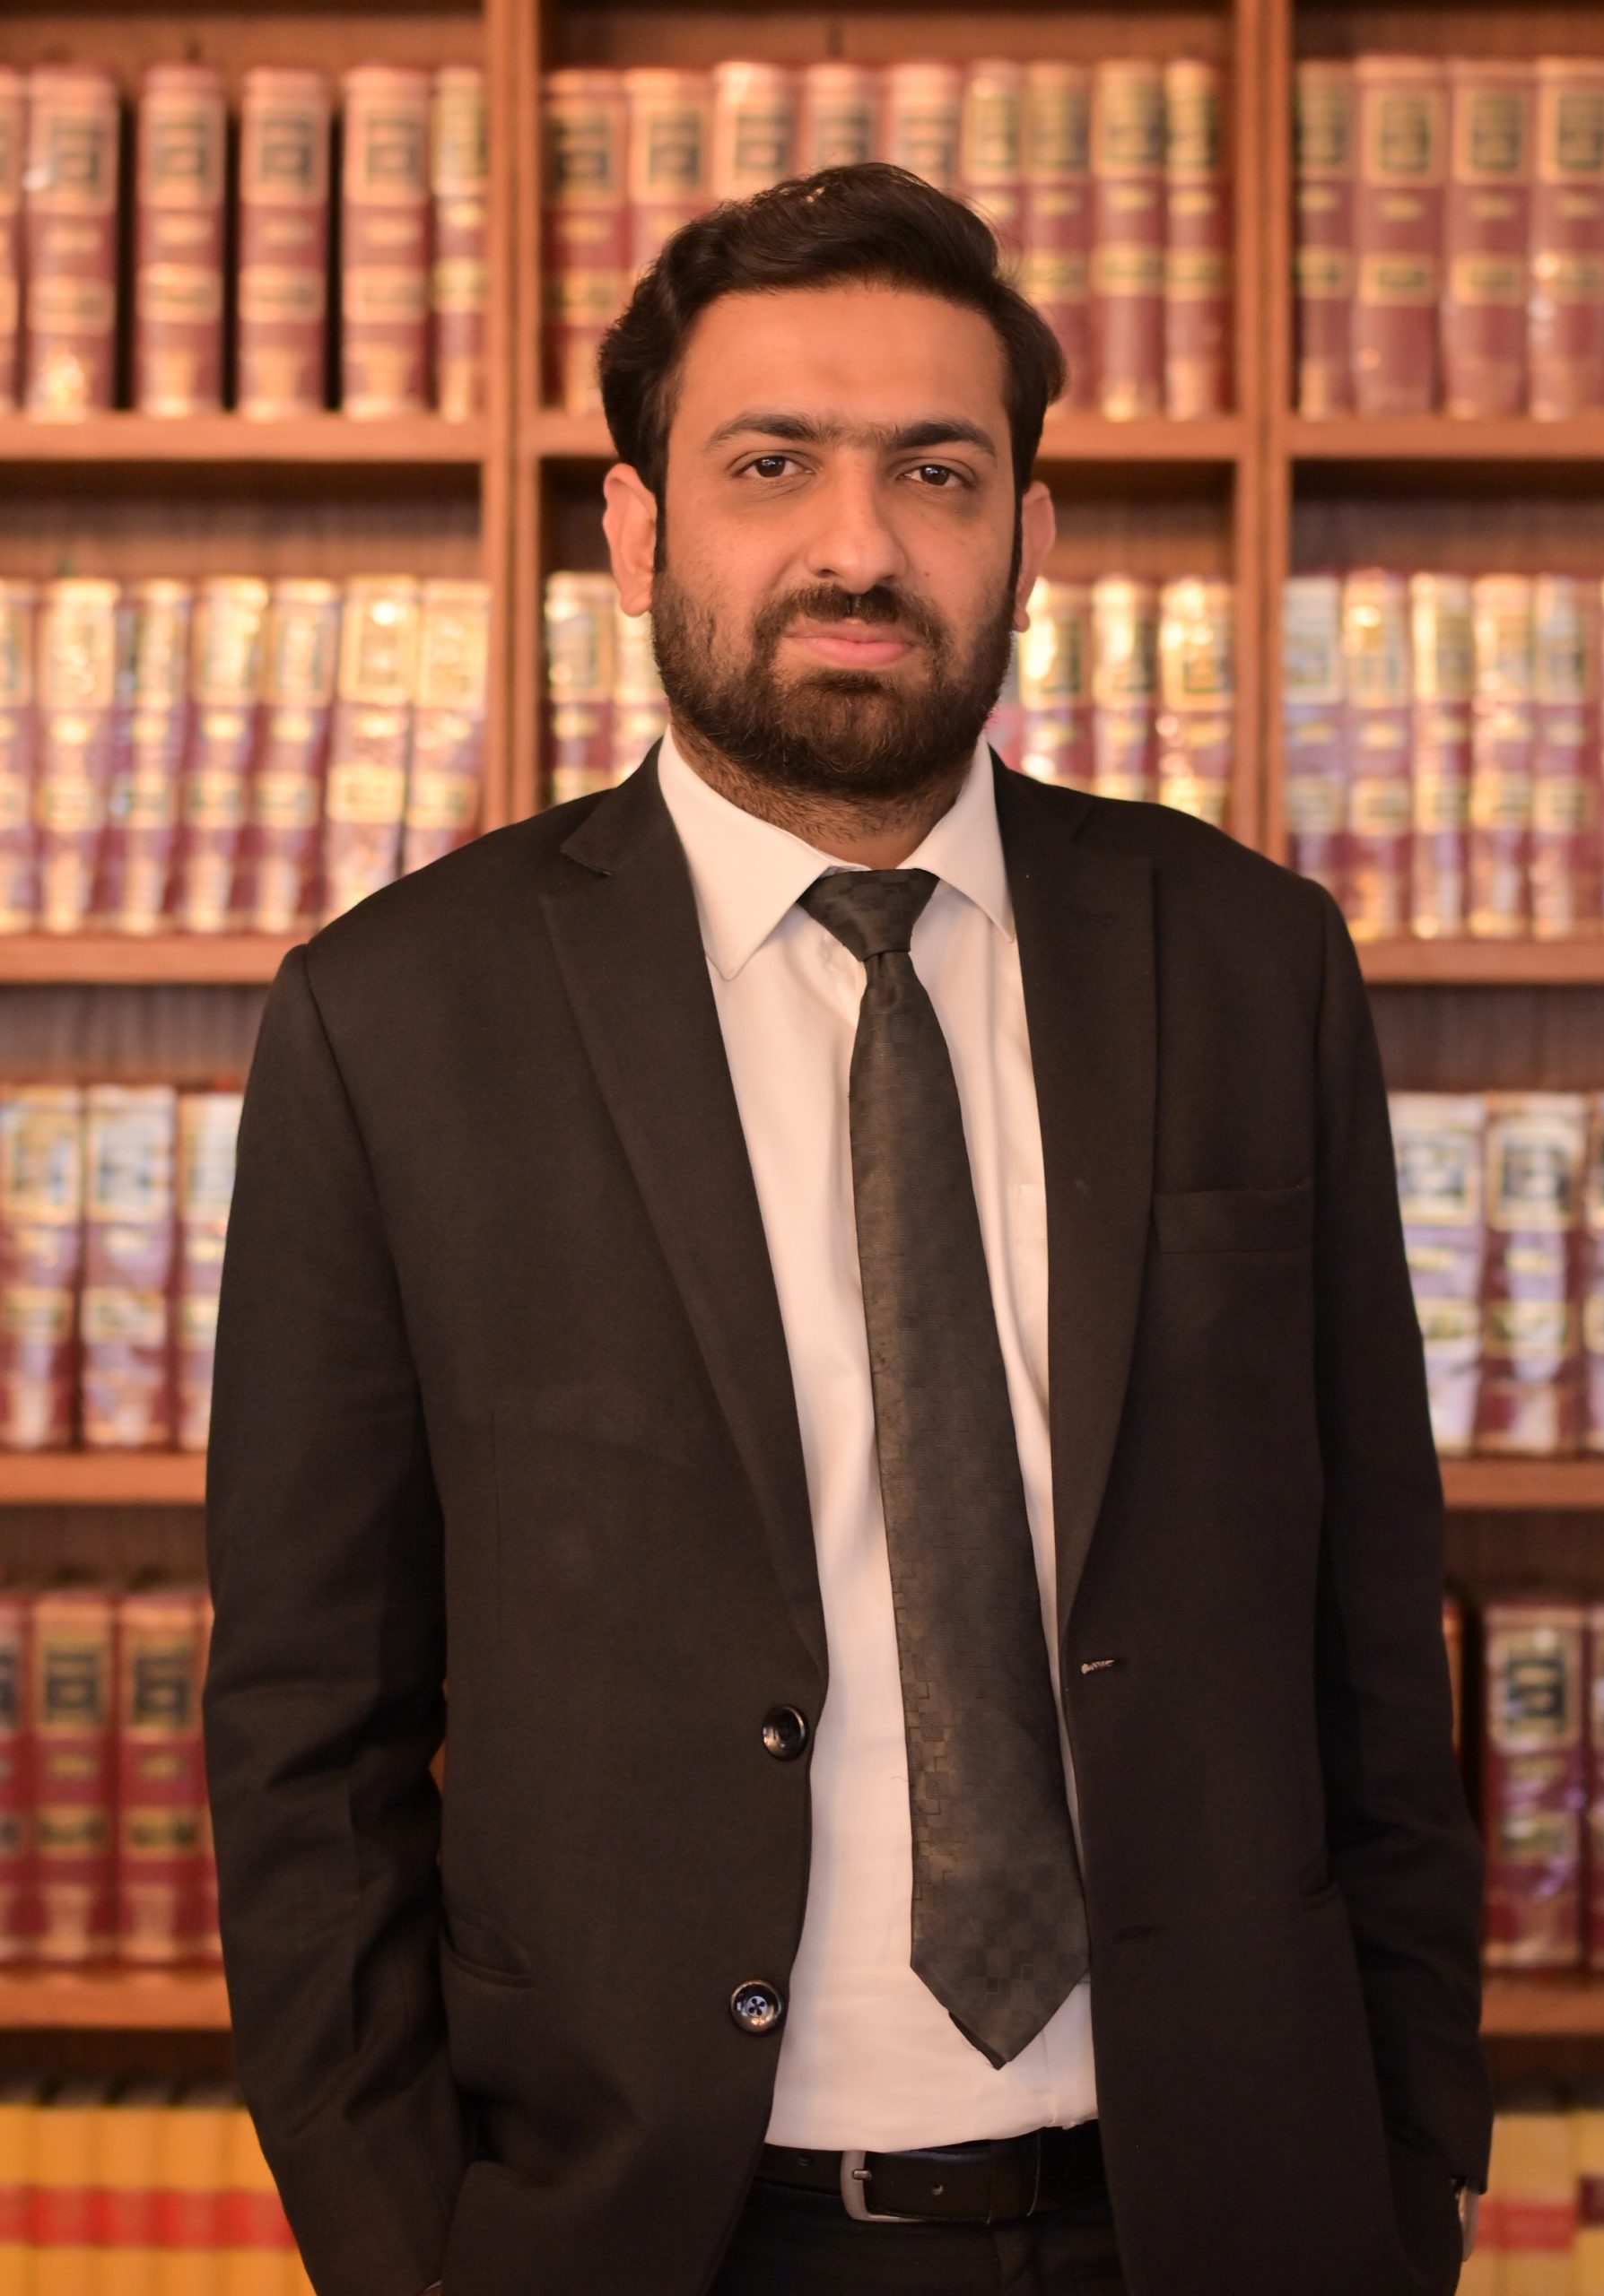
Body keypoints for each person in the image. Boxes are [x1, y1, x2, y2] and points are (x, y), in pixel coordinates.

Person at [204, 163, 1491, 2296]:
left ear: (1028, 538)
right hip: (646, 2232)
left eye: (934, 470)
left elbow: (1372, 1634)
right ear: (634, 533)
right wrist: (407, 2244)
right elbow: (304, 1728)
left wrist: (1410, 2169)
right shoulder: (392, 1018)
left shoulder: (1250, 962)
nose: (858, 545)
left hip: (1219, 2212)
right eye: (770, 463)